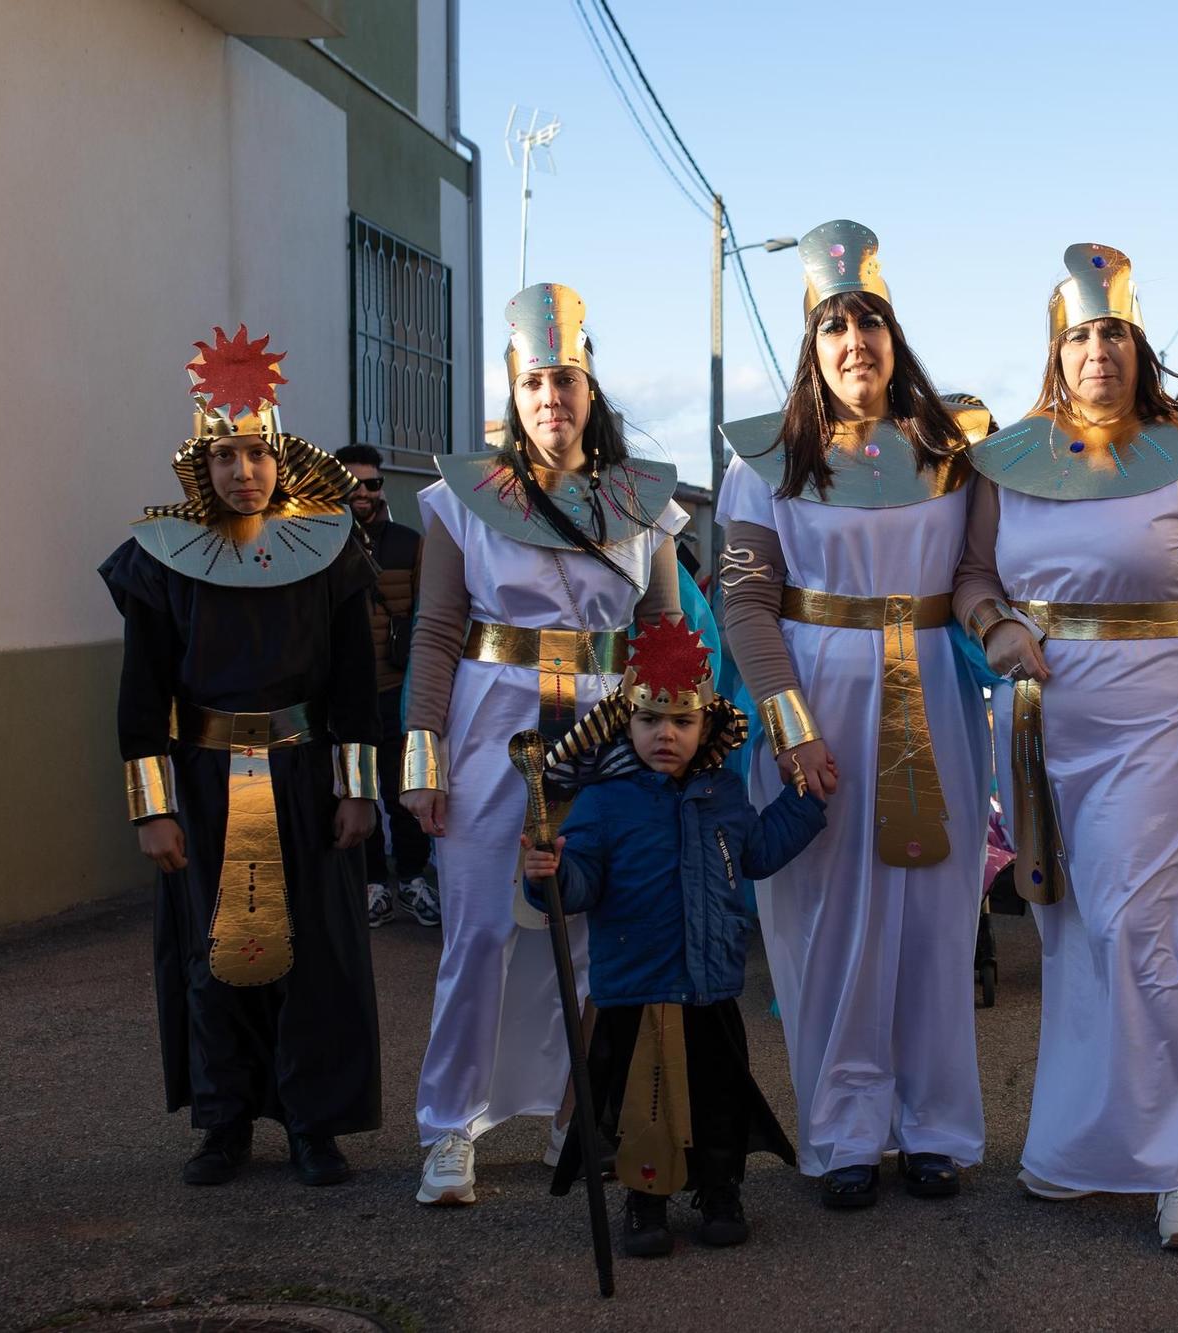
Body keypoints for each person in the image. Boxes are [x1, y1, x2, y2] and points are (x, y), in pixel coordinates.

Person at [951, 244, 1178, 1249]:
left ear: (1138, 345)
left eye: (1113, 334)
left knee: (1139, 927)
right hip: (1048, 722)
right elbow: (969, 580)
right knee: (1074, 930)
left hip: (1160, 713)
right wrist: (999, 629)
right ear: (1056, 350)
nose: (1098, 351)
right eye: (1079, 335)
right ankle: (1077, 1145)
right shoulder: (1006, 457)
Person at [715, 220, 994, 1208]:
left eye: (869, 322)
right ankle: (840, 1133)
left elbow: (970, 576)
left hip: (934, 699)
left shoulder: (949, 456)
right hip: (816, 699)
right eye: (834, 325)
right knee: (825, 922)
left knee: (932, 914)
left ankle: (934, 1127)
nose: (854, 342)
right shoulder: (762, 462)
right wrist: (791, 724)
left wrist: (1000, 628)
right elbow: (744, 599)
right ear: (810, 343)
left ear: (893, 337)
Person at [402, 283, 690, 1206]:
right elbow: (436, 632)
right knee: (481, 931)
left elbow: (664, 638)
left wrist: (675, 748)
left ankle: (580, 1111)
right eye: (535, 382)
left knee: (599, 932)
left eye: (566, 379)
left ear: (590, 388)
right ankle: (450, 1129)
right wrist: (423, 760)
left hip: (609, 730)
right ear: (513, 392)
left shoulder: (645, 504)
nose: (551, 398)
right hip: (495, 731)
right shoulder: (460, 500)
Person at [100, 325, 382, 1187]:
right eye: (225, 454)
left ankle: (313, 1123)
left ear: (280, 456)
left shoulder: (327, 552)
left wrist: (358, 788)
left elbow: (353, 683)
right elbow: (141, 697)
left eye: (256, 452)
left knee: (314, 951)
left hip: (303, 776)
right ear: (201, 464)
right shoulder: (163, 562)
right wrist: (152, 808)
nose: (242, 470)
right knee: (208, 955)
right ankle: (222, 1121)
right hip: (203, 779)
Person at [520, 614, 824, 1256]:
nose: (665, 734)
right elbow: (581, 885)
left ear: (706, 725)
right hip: (635, 987)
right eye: (650, 720)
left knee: (716, 1099)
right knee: (640, 1107)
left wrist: (808, 803)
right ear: (625, 721)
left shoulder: (724, 793)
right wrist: (547, 874)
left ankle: (720, 1190)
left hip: (709, 985)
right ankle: (646, 1201)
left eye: (682, 722)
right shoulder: (605, 801)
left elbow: (760, 853)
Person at [333, 443, 437, 929]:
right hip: (345, 691)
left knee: (404, 789)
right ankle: (372, 883)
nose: (362, 491)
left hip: (399, 688)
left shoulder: (408, 542)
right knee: (357, 789)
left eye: (372, 483)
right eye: (352, 482)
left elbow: (430, 618)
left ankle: (413, 878)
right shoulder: (319, 541)